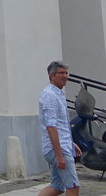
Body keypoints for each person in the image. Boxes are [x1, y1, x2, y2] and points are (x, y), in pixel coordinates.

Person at [39, 60, 81, 196]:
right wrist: (59, 155)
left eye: (66, 73)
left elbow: (61, 125)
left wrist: (71, 143)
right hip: (58, 148)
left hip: (62, 144)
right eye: (61, 73)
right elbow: (51, 126)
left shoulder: (58, 93)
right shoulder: (50, 95)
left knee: (57, 186)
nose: (65, 76)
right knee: (73, 187)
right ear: (52, 76)